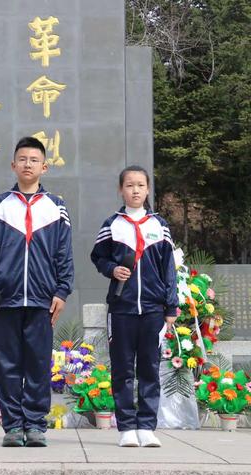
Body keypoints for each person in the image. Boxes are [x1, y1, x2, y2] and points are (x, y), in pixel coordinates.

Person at [0, 136, 74, 447]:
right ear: (13, 164)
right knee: (7, 364)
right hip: (6, 299)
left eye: (34, 159)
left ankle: (35, 426)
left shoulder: (56, 207)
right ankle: (13, 427)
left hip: (43, 300)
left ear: (44, 166)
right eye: (22, 159)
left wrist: (61, 291)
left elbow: (64, 253)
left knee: (38, 364)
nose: (28, 164)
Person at [90, 165, 178, 448]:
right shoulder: (112, 224)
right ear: (121, 190)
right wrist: (113, 269)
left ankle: (147, 427)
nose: (135, 190)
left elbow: (169, 270)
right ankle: (126, 427)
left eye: (141, 185)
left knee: (150, 368)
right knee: (123, 369)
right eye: (129, 185)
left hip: (153, 310)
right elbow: (98, 257)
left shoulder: (159, 225)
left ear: (148, 189)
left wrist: (171, 307)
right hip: (122, 308)